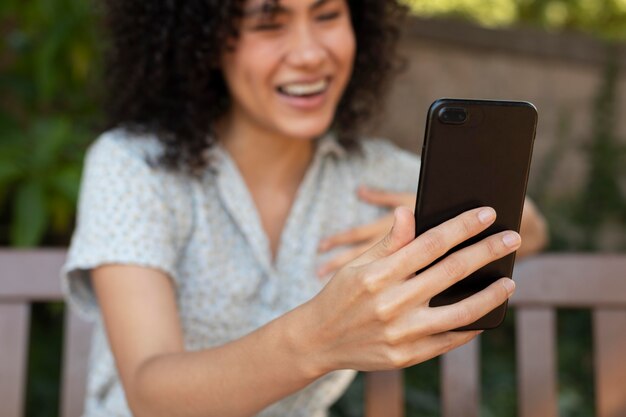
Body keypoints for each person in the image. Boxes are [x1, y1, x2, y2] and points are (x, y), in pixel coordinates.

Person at [62, 0, 548, 416]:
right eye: (269, 23)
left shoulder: (371, 175)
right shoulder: (133, 166)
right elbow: (151, 395)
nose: (311, 53)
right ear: (203, 41)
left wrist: (440, 218)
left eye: (327, 15)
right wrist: (319, 338)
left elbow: (531, 223)